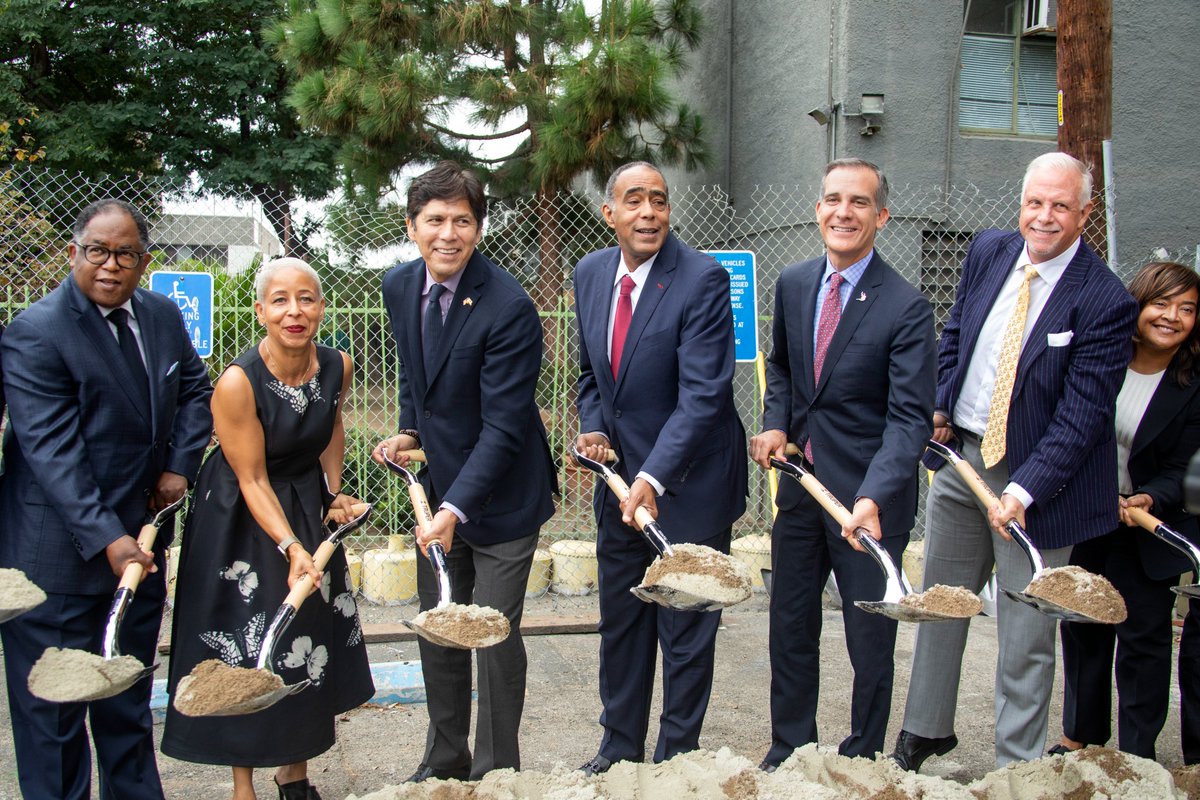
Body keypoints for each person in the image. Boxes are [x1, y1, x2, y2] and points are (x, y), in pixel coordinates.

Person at [891, 152, 1140, 771]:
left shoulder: (1104, 301)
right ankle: (925, 731)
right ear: (1020, 203)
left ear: (1086, 212)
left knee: (1026, 634)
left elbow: (1082, 418)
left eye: (1060, 205)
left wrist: (1024, 492)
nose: (1045, 217)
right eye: (1035, 202)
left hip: (1039, 487)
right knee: (941, 602)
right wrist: (943, 405)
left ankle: (1016, 764)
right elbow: (956, 335)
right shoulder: (990, 252)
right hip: (962, 459)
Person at [0, 199, 213, 800]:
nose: (110, 265)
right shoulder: (36, 333)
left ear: (144, 262)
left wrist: (178, 466)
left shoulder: (161, 316)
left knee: (125, 704)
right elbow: (52, 454)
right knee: (55, 721)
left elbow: (198, 391)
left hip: (141, 545)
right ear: (74, 252)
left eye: (125, 254)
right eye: (98, 250)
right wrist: (109, 540)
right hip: (58, 561)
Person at [161, 258, 372, 800]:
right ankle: (242, 783)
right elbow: (252, 478)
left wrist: (331, 494)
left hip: (304, 499)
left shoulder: (337, 366)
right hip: (237, 512)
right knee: (244, 636)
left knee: (302, 634)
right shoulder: (236, 383)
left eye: (306, 298)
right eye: (279, 300)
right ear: (260, 311)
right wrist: (290, 545)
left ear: (321, 307)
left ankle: (294, 774)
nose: (294, 311)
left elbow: (331, 428)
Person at [748, 158, 936, 766]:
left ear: (880, 216)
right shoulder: (796, 282)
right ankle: (790, 750)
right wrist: (777, 421)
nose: (843, 212)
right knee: (790, 629)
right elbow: (782, 367)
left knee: (869, 640)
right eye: (833, 199)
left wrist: (874, 496)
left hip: (868, 507)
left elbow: (910, 420)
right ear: (819, 208)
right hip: (802, 493)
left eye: (859, 202)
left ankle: (860, 756)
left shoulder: (906, 307)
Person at [373, 161, 557, 783]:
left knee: (493, 636)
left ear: (479, 228)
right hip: (441, 489)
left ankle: (495, 770)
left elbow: (505, 427)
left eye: (461, 220)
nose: (447, 234)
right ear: (412, 226)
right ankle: (444, 758)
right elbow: (416, 375)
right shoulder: (399, 287)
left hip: (503, 499)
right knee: (441, 629)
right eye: (434, 220)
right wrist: (410, 430)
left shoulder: (509, 307)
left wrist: (454, 511)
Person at [573, 161, 747, 775]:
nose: (649, 212)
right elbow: (593, 377)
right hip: (618, 485)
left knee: (685, 630)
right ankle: (618, 749)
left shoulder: (701, 279)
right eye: (635, 200)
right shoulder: (590, 274)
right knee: (621, 624)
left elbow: (705, 396)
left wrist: (653, 477)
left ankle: (676, 760)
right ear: (610, 213)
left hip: (689, 484)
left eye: (660, 201)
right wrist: (593, 427)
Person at [1053, 261, 1200, 760]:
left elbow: (1187, 465)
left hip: (1148, 525)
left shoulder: (1193, 382)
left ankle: (1138, 755)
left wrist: (1149, 497)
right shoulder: (1103, 357)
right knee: (1082, 625)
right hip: (1090, 514)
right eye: (1161, 303)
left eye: (1187, 309)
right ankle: (1081, 737)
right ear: (1138, 304)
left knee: (1143, 641)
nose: (1172, 317)